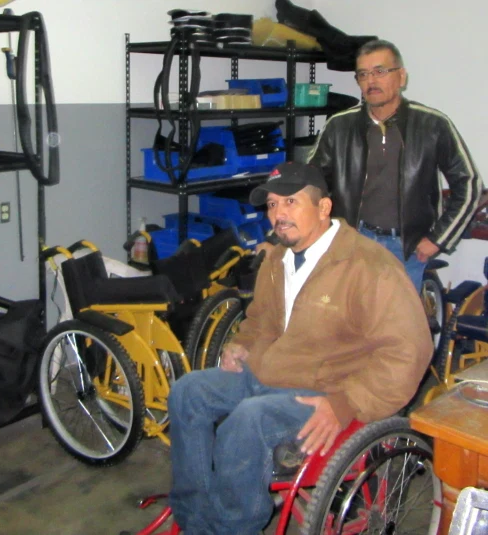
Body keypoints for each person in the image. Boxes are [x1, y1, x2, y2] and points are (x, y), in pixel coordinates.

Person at [168, 161, 433, 535]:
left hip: (326, 389)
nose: (278, 215)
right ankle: (194, 518)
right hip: (271, 372)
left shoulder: (369, 266)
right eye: (272, 205)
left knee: (248, 421)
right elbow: (261, 318)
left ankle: (230, 527)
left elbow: (410, 351)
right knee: (187, 392)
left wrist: (346, 402)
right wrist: (241, 344)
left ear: (324, 208)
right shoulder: (277, 258)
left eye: (290, 202)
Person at [307, 39, 482, 292]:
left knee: (399, 328)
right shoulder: (339, 126)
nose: (371, 81)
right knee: (350, 322)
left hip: (407, 247)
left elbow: (470, 185)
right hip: (352, 243)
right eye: (363, 74)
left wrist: (438, 239)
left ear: (401, 76)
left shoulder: (433, 124)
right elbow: (311, 183)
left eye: (380, 71)